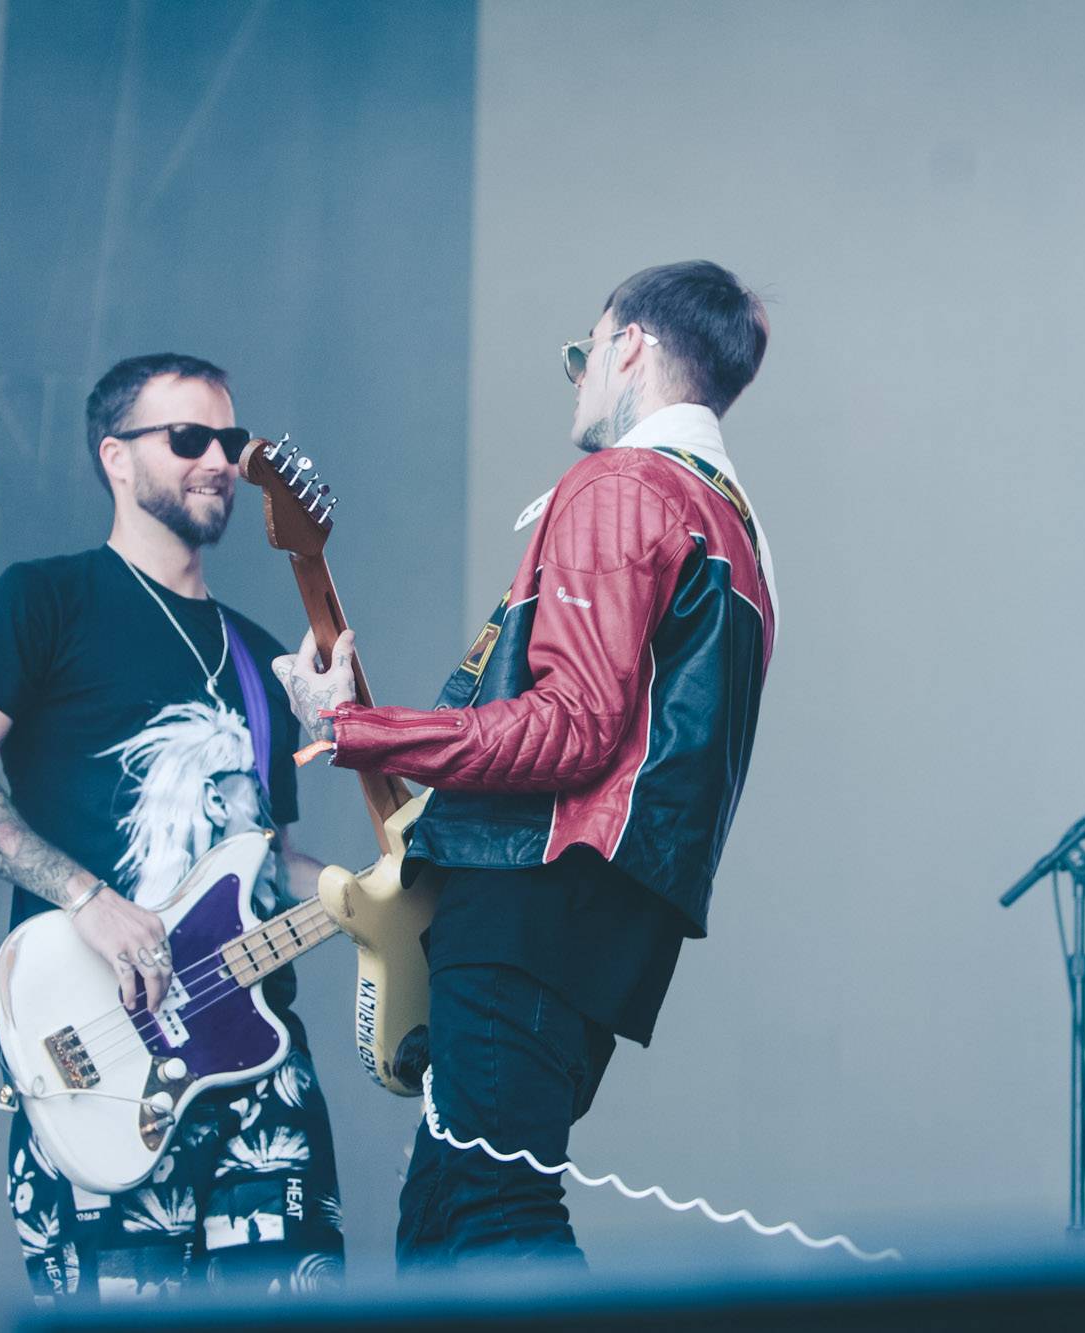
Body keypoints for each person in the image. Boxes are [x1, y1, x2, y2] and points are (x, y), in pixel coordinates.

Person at [276, 260, 777, 1267]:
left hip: (533, 895)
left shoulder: (623, 484)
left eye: (581, 352)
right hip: (603, 912)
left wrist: (355, 732)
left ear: (627, 343)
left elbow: (574, 728)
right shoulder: (735, 528)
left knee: (499, 1213)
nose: (579, 375)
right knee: (441, 1222)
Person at [0, 353, 344, 1301]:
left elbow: (267, 862)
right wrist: (85, 896)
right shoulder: (45, 601)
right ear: (116, 457)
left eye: (229, 440)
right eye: (187, 438)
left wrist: (368, 888)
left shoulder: (262, 658)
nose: (219, 460)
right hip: (100, 1051)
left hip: (259, 1057)